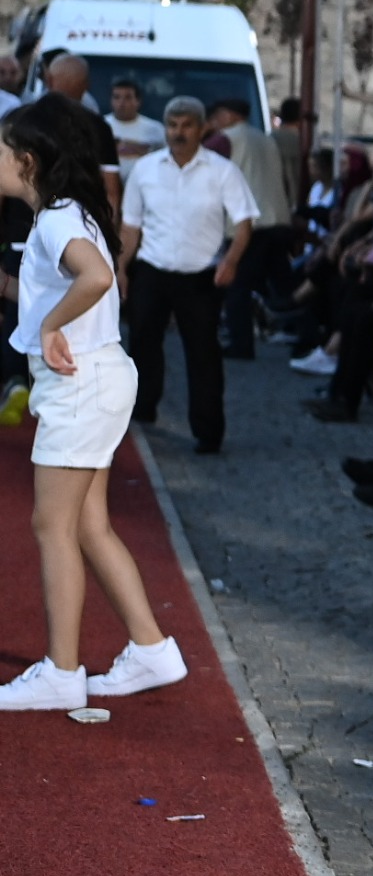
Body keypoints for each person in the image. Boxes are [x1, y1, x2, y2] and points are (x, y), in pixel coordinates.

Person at [0, 104, 186, 711]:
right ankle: (152, 649)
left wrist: (52, 325)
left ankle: (61, 670)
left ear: (27, 161)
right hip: (98, 379)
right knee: (87, 525)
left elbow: (97, 277)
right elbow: (71, 283)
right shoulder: (66, 213)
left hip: (81, 385)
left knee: (51, 526)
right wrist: (42, 316)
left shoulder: (56, 219)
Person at [117, 96, 257, 457]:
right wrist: (120, 268)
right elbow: (131, 226)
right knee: (143, 342)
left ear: (201, 128)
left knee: (203, 354)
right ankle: (143, 406)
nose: (178, 133)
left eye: (186, 126)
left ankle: (208, 432)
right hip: (152, 268)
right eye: (172, 125)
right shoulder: (145, 170)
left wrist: (232, 261)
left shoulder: (223, 171)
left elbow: (244, 222)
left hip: (200, 276)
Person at [205, 96, 295, 359]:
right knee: (283, 284)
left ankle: (240, 343)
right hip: (278, 218)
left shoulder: (225, 139)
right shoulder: (266, 138)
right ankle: (307, 333)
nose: (213, 122)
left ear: (229, 115)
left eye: (217, 116)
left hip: (249, 224)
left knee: (238, 286)